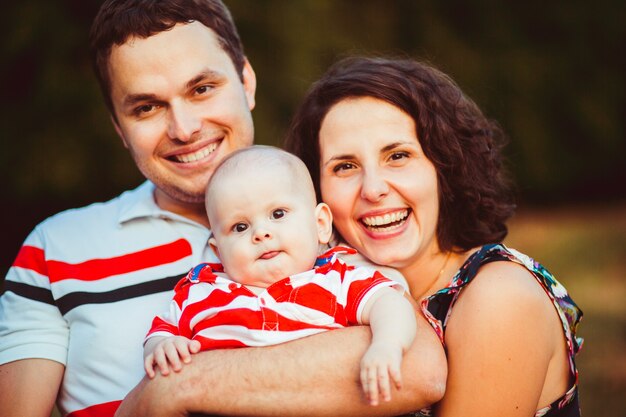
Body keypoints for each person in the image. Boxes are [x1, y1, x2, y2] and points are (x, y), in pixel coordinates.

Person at [0, 2, 446, 417]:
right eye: (147, 107)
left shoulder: (333, 214)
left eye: (202, 88)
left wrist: (176, 387)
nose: (185, 128)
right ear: (119, 127)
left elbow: (420, 371)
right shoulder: (56, 249)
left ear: (246, 82)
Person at [284, 56, 584, 416]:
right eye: (345, 166)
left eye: (397, 156)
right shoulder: (326, 291)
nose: (374, 189)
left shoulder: (498, 297)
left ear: (443, 166)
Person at [143, 145, 417, 406]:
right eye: (240, 227)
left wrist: (387, 345)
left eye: (277, 213)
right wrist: (163, 346)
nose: (261, 233)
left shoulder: (336, 279)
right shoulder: (201, 292)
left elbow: (390, 304)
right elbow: (161, 332)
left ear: (320, 225)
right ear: (218, 252)